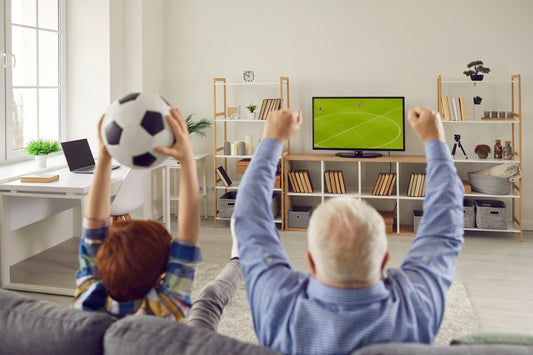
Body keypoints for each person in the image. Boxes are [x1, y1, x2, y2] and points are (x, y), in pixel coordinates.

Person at [232, 107, 464, 354]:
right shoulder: (416, 306)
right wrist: (436, 142)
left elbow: (248, 217)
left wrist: (271, 140)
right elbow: (443, 229)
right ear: (385, 260)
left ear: (310, 261)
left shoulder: (278, 307)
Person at [72, 108, 242, 331]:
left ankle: (239, 258)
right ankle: (239, 258)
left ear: (102, 259)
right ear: (162, 275)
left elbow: (93, 225)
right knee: (209, 301)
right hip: (186, 339)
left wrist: (103, 157)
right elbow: (189, 227)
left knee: (209, 299)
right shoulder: (165, 308)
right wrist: (186, 156)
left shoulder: (89, 299)